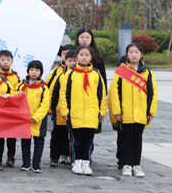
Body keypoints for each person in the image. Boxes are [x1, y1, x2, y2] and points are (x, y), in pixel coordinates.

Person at [109, 43, 157, 178]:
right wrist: (117, 111)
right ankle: (126, 165)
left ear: (141, 54)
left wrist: (150, 112)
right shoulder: (121, 71)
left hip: (141, 113)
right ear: (127, 55)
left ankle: (136, 165)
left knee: (137, 140)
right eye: (131, 52)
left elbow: (152, 93)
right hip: (125, 114)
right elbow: (115, 93)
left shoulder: (148, 72)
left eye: (136, 52)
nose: (134, 54)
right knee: (125, 139)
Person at [57, 45, 107, 176]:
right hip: (75, 113)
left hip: (91, 113)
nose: (84, 57)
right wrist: (65, 111)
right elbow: (64, 94)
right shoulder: (70, 74)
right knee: (76, 139)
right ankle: (77, 161)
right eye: (81, 55)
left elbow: (101, 95)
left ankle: (86, 161)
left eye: (87, 55)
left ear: (91, 57)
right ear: (77, 57)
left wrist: (102, 111)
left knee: (88, 140)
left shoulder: (96, 74)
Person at [16, 60, 50, 172]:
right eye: (32, 70)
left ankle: (36, 163)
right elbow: (15, 99)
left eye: (37, 70)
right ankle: (25, 162)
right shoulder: (21, 86)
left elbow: (45, 104)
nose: (34, 72)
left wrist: (36, 117)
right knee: (25, 141)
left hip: (38, 120)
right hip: (25, 119)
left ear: (41, 72)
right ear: (27, 71)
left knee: (39, 141)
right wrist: (17, 94)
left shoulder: (43, 87)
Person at [74, 28, 107, 132]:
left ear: (92, 39)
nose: (85, 39)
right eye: (82, 37)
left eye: (88, 37)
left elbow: (103, 78)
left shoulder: (98, 57)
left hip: (93, 95)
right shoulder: (72, 53)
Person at [47, 47, 75, 167]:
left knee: (73, 137)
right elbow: (52, 93)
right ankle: (54, 157)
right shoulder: (60, 75)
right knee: (58, 135)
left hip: (76, 112)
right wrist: (50, 109)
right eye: (69, 61)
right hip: (59, 112)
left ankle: (72, 157)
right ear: (65, 61)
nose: (72, 63)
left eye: (75, 61)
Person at [0, 49, 21, 167]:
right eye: (2, 60)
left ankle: (11, 156)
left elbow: (19, 92)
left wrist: (10, 96)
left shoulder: (16, 76)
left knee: (12, 135)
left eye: (8, 60)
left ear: (12, 61)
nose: (5, 62)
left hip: (11, 109)